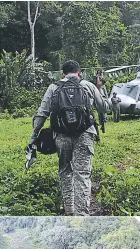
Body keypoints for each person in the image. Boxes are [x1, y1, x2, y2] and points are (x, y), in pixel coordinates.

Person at [28, 60, 109, 216]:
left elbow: (42, 113)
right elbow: (104, 107)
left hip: (61, 136)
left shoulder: (54, 87)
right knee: (83, 175)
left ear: (62, 73)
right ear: (79, 73)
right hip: (85, 134)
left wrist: (34, 136)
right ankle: (82, 215)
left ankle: (69, 210)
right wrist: (101, 88)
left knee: (65, 171)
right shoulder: (88, 86)